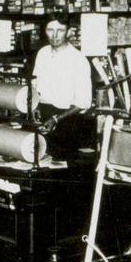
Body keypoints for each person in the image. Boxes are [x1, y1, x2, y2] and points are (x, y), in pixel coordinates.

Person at [29, 14, 93, 159]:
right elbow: (35, 85)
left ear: (69, 32)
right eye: (50, 30)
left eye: (60, 30)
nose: (55, 35)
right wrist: (34, 107)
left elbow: (83, 102)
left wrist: (56, 119)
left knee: (59, 165)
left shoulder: (78, 59)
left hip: (66, 120)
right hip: (42, 114)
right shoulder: (42, 53)